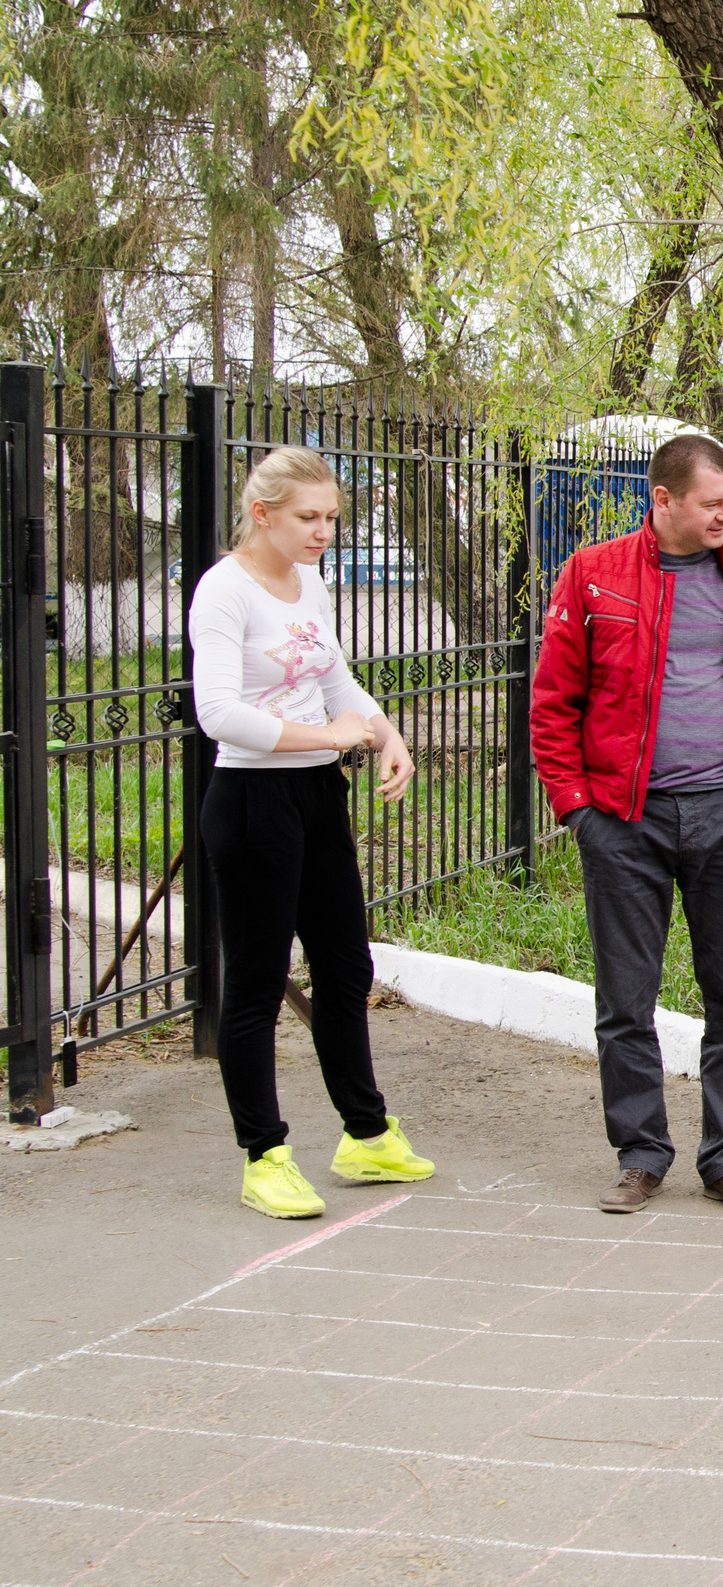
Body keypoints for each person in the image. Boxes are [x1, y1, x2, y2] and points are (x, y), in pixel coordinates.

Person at [530, 432, 723, 1217]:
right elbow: (553, 701)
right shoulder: (594, 577)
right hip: (624, 819)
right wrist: (578, 809)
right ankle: (641, 1154)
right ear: (663, 500)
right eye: (713, 503)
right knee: (626, 1000)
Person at [190, 444, 433, 1219]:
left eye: (331, 517)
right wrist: (329, 738)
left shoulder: (311, 582)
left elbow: (335, 680)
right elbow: (219, 714)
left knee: (344, 965)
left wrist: (384, 734)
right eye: (308, 517)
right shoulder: (223, 591)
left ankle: (365, 1136)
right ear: (262, 513)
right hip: (252, 801)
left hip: (315, 797)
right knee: (257, 983)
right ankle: (264, 1156)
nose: (323, 530)